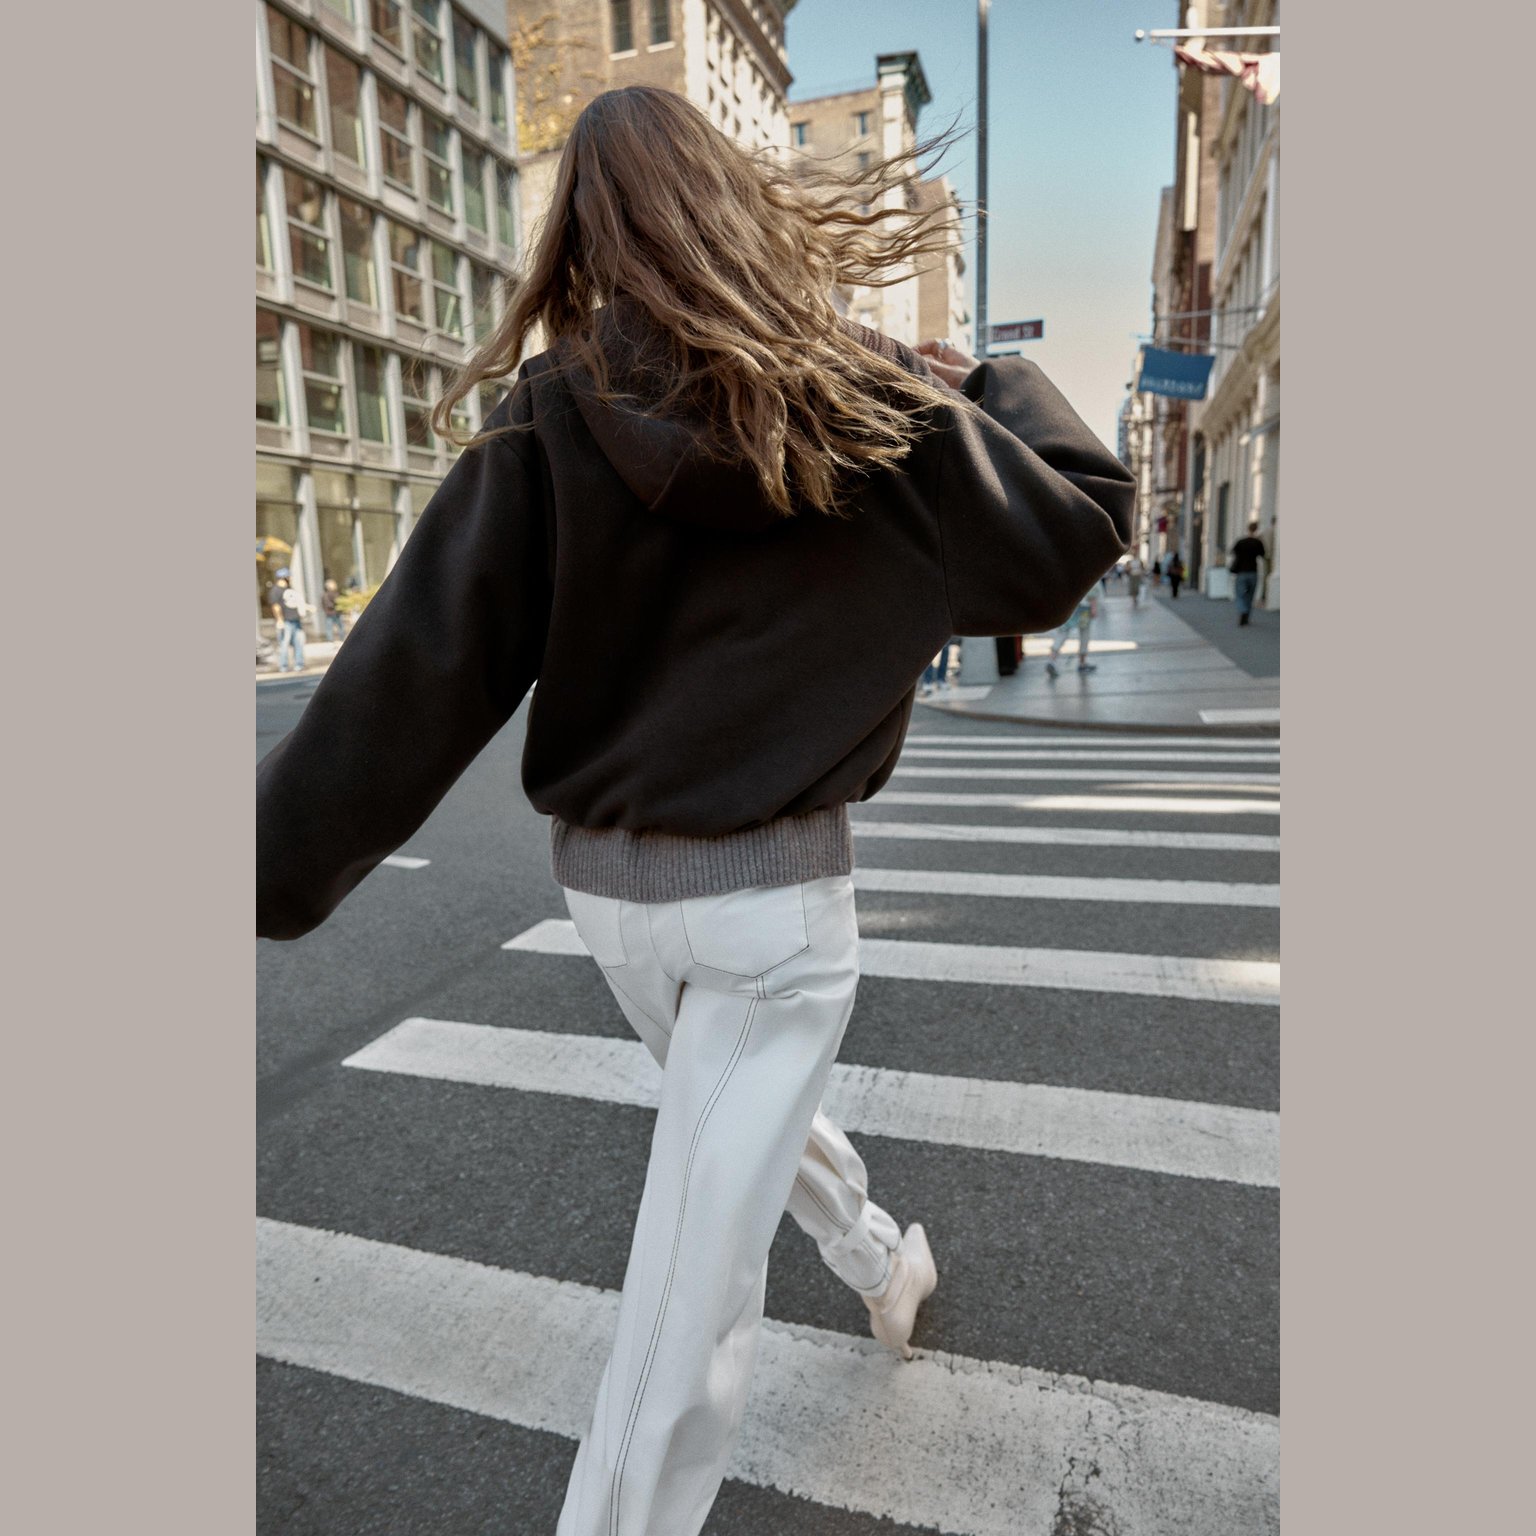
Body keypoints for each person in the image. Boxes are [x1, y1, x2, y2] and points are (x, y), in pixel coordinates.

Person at [255, 86, 1133, 1536]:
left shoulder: (546, 415)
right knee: (688, 1301)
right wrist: (980, 382)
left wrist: (263, 868)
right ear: (734, 207)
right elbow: (1077, 524)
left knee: (732, 1130)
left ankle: (880, 1261)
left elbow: (409, 681)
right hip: (774, 907)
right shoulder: (864, 397)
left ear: (584, 237)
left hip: (614, 906)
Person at [1045, 589, 1099, 677]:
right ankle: (1082, 662)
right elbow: (1092, 590)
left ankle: (1052, 659)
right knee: (1084, 634)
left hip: (1069, 605)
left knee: (1063, 631)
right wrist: (1094, 606)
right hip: (1084, 606)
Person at [1229, 519, 1266, 624]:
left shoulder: (1241, 542)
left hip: (1241, 572)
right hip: (1253, 571)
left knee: (1240, 594)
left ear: (1248, 529)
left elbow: (1232, 551)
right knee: (1250, 595)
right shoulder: (1258, 542)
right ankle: (1246, 616)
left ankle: (1243, 610)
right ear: (1256, 529)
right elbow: (1263, 554)